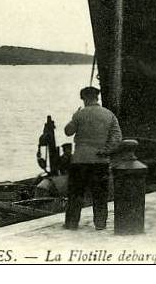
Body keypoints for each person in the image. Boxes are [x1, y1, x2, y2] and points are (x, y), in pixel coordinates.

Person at [63, 86, 122, 230]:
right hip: (100, 161)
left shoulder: (80, 114)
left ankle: (71, 223)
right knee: (100, 195)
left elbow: (68, 132)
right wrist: (106, 151)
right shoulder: (109, 115)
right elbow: (117, 137)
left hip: (80, 161)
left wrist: (74, 117)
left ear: (84, 99)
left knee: (76, 194)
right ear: (97, 98)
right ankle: (100, 224)